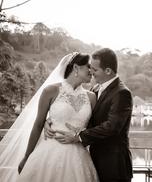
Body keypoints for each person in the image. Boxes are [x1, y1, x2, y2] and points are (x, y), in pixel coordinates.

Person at [0, 52, 99, 182]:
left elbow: (95, 128)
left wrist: (79, 137)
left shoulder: (91, 97)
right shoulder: (50, 91)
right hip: (48, 153)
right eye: (88, 66)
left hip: (79, 156)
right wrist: (27, 156)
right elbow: (38, 124)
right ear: (76, 68)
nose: (91, 70)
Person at [45, 48, 133, 182]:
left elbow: (112, 126)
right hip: (94, 159)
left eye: (95, 69)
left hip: (114, 164)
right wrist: (50, 120)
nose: (91, 72)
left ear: (108, 71)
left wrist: (79, 136)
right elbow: (81, 115)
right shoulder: (95, 90)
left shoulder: (122, 93)